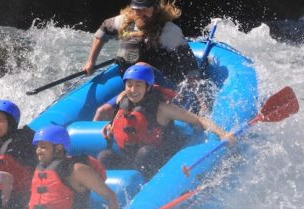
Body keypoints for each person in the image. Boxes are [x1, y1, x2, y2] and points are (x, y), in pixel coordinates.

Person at [94, 63, 233, 177]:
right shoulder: (122, 99)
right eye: (129, 85)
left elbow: (199, 120)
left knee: (145, 153)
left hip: (158, 158)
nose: (133, 89)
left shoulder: (162, 109)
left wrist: (223, 134)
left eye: (138, 85)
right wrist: (111, 124)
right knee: (104, 156)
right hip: (130, 157)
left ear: (148, 87)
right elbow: (120, 117)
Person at [82, 0, 201, 86]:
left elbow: (190, 65)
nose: (140, 14)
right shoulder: (126, 21)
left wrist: (197, 96)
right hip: (132, 80)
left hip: (160, 82)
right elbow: (103, 31)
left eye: (145, 9)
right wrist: (91, 61)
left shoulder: (169, 31)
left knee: (141, 66)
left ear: (156, 8)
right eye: (137, 9)